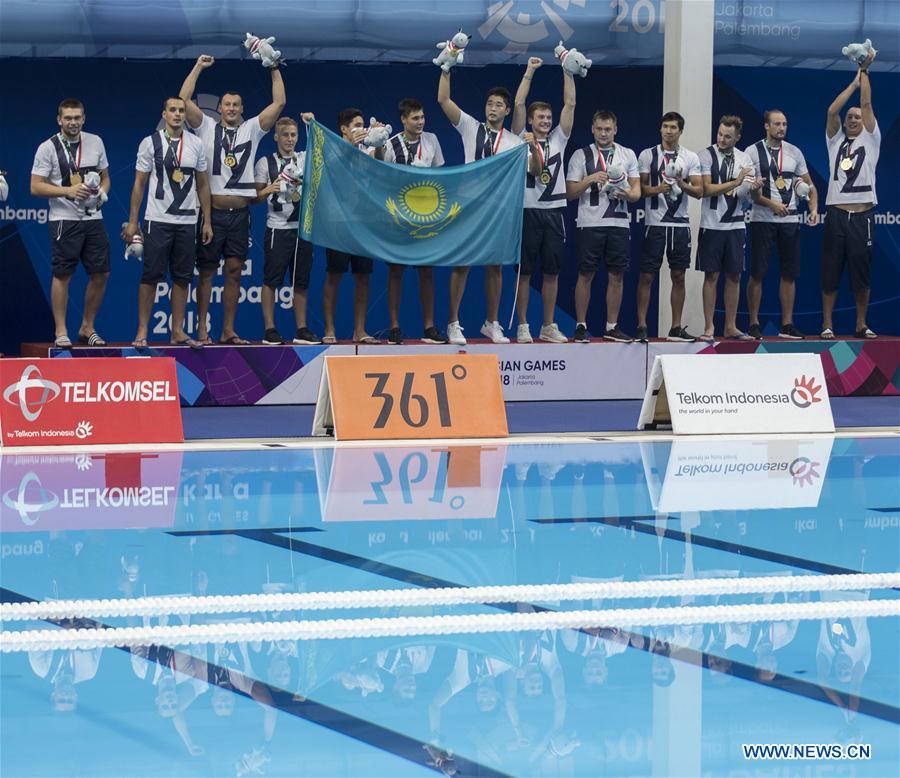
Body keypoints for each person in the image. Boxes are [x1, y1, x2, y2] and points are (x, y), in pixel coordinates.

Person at [179, 54, 285, 345]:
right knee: (207, 273)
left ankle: (228, 330)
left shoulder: (252, 128)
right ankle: (202, 330)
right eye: (227, 104)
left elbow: (279, 104)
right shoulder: (206, 127)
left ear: (242, 109)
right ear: (220, 108)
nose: (231, 108)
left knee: (235, 272)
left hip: (240, 215)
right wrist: (199, 67)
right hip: (212, 213)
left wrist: (274, 67)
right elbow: (183, 98)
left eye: (236, 105)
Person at [438, 69, 539, 345]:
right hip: (469, 206)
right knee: (462, 264)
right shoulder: (470, 126)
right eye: (489, 104)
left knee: (495, 266)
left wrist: (535, 146)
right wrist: (446, 68)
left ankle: (491, 323)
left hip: (497, 210)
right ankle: (453, 324)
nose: (492, 108)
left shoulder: (514, 142)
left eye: (498, 105)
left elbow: (534, 170)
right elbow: (444, 100)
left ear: (507, 110)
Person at [123, 97, 212, 349]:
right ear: (164, 114)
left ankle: (177, 331)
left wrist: (206, 220)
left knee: (183, 278)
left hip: (187, 221)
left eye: (181, 110)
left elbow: (203, 184)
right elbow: (139, 184)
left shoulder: (195, 144)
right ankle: (142, 331)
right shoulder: (150, 143)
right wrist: (133, 221)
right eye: (172, 110)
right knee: (151, 276)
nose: (177, 114)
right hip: (157, 220)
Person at [30, 98, 111, 348]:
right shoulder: (48, 147)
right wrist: (67, 191)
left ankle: (87, 327)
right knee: (63, 274)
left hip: (93, 219)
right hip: (64, 220)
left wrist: (102, 196)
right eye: (68, 118)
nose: (73, 122)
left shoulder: (95, 141)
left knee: (101, 273)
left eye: (77, 118)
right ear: (59, 120)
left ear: (84, 118)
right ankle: (61, 330)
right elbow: (35, 186)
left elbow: (106, 178)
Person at [509, 56, 575, 344]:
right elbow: (519, 104)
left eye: (549, 118)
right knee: (525, 273)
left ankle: (548, 325)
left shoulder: (560, 139)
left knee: (552, 272)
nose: (546, 121)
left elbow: (570, 104)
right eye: (542, 118)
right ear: (532, 121)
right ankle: (523, 325)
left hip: (554, 212)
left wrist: (567, 68)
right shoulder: (519, 138)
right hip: (526, 211)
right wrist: (529, 72)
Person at [565, 110, 640, 343]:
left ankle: (611, 326)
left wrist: (626, 193)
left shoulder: (627, 154)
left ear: (615, 129)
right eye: (599, 129)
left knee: (616, 275)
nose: (604, 133)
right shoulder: (581, 155)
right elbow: (569, 193)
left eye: (608, 129)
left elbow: (637, 194)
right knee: (585, 274)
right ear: (592, 129)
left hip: (618, 223)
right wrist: (589, 179)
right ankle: (580, 325)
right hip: (590, 222)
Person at [745, 109, 819, 340]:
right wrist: (772, 204)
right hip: (762, 219)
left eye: (785, 124)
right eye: (777, 124)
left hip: (790, 220)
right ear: (766, 126)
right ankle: (754, 323)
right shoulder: (752, 152)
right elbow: (750, 191)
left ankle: (787, 325)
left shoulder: (794, 152)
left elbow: (810, 186)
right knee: (757, 272)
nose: (782, 128)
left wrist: (814, 209)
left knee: (790, 273)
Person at [822, 52, 879, 339]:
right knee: (831, 269)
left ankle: (861, 324)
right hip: (836, 214)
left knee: (861, 270)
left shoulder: (871, 138)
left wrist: (865, 72)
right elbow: (832, 111)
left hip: (863, 215)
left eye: (858, 116)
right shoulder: (835, 141)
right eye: (851, 117)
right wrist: (853, 84)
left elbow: (867, 104)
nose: (854, 118)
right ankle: (828, 325)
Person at [382, 98, 449, 345]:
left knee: (426, 272)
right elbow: (381, 175)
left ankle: (429, 327)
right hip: (399, 218)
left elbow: (442, 175)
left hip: (425, 217)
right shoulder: (390, 145)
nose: (420, 122)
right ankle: (394, 327)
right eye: (415, 118)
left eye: (422, 117)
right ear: (403, 120)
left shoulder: (431, 140)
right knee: (395, 272)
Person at [253, 114, 322, 345]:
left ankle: (301, 329)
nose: (290, 139)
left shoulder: (304, 159)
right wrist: (268, 189)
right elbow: (253, 197)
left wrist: (311, 124)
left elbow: (319, 149)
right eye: (285, 135)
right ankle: (270, 329)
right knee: (271, 280)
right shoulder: (265, 163)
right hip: (277, 228)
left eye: (293, 135)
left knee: (301, 281)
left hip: (302, 229)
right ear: (276, 137)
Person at [635, 112, 703, 343]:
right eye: (665, 126)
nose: (669, 131)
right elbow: (640, 188)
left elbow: (699, 191)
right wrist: (659, 189)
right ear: (660, 129)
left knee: (679, 276)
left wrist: (681, 184)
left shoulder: (690, 157)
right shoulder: (647, 155)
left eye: (673, 127)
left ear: (680, 131)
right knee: (646, 275)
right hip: (654, 223)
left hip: (679, 224)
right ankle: (642, 325)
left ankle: (675, 327)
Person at [321, 108, 386, 344]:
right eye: (356, 125)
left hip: (363, 224)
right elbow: (334, 171)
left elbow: (380, 162)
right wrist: (351, 149)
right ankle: (329, 329)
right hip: (338, 223)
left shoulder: (367, 150)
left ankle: (360, 330)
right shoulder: (332, 150)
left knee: (362, 278)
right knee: (334, 276)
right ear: (344, 130)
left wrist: (379, 139)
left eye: (362, 124)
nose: (361, 129)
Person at [697, 115, 761, 341]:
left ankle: (731, 326)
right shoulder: (705, 155)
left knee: (734, 276)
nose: (722, 139)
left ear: (738, 137)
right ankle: (709, 327)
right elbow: (705, 189)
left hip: (735, 225)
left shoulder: (745, 159)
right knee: (711, 275)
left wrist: (754, 188)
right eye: (720, 134)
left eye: (728, 137)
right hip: (711, 225)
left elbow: (748, 196)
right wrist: (735, 182)